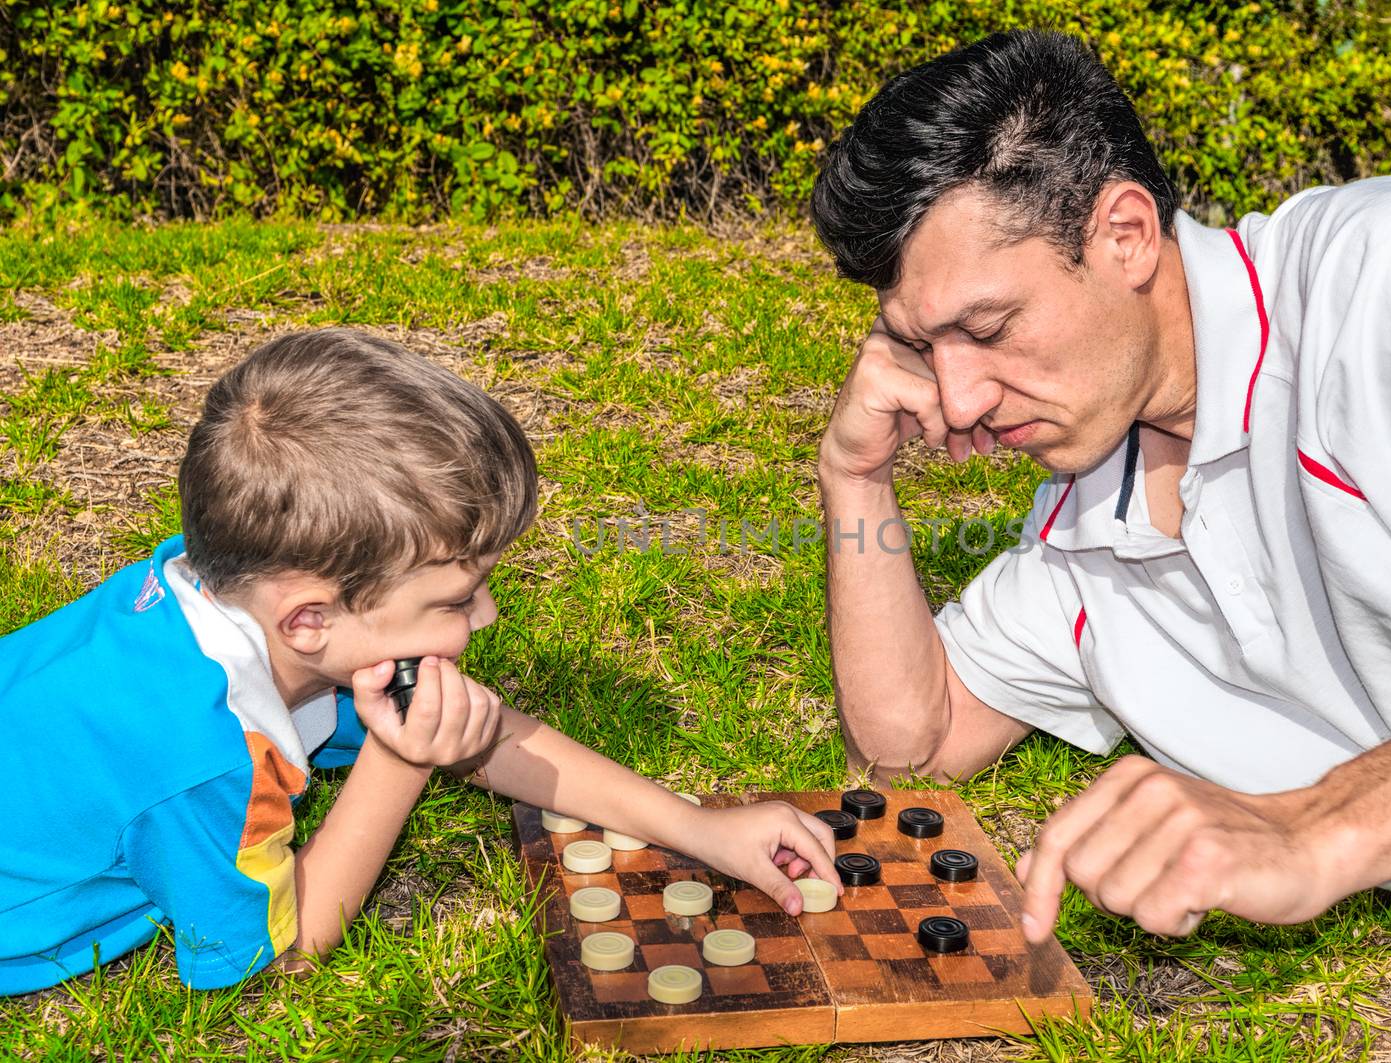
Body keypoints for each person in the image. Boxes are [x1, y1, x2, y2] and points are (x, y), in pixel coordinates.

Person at [808, 29, 1391, 959]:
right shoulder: (1086, 516)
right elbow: (910, 744)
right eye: (921, 347)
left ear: (1126, 235)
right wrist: (854, 479)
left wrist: (1316, 830)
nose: (960, 399)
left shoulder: (1383, 277)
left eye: (989, 327)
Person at [0, 329, 841, 994]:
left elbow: (479, 734)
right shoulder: (200, 756)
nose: (488, 615)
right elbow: (288, 948)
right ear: (309, 619)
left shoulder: (228, 586)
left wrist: (696, 827)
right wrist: (401, 759)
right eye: (455, 600)